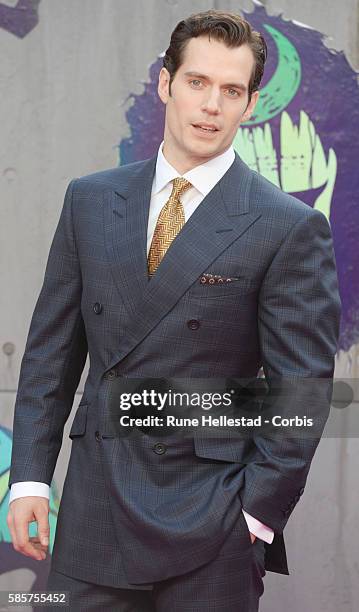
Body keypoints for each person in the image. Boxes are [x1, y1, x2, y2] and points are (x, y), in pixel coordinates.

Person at [7, 9, 341, 612]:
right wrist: (29, 477)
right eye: (197, 82)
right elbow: (51, 354)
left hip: (209, 522)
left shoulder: (287, 227)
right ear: (166, 83)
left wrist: (253, 520)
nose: (211, 105)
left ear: (248, 104)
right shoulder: (89, 199)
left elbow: (301, 394)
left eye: (231, 90)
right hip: (93, 513)